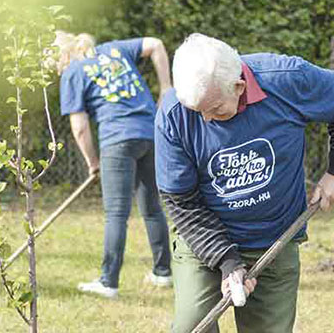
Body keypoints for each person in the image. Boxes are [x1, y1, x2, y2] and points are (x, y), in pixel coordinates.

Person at [155, 33, 334, 333]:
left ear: (238, 87)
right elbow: (181, 202)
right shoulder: (174, 115)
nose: (207, 120)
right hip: (204, 238)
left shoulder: (287, 80)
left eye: (215, 110)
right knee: (190, 326)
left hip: (275, 236)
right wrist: (227, 261)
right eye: (198, 113)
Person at [55, 31, 172, 299]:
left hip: (117, 139)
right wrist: (166, 87)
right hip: (150, 134)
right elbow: (156, 44)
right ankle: (163, 272)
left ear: (62, 56)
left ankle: (108, 282)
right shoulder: (114, 50)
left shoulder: (74, 72)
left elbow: (80, 127)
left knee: (116, 213)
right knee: (152, 207)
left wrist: (92, 162)